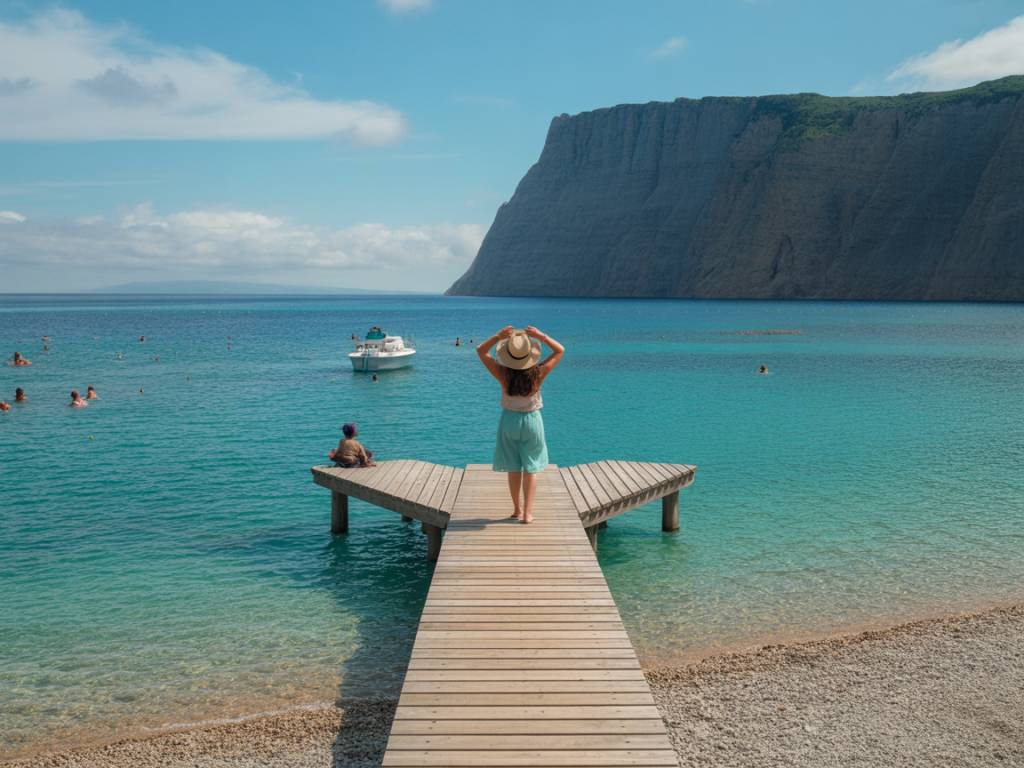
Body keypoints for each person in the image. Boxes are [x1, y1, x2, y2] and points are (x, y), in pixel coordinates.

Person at [477, 326, 565, 524]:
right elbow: (560, 350)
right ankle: (527, 513)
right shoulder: (538, 374)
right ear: (529, 355)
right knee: (531, 467)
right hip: (532, 421)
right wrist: (541, 336)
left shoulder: (502, 374)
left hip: (509, 420)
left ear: (508, 355)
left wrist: (497, 336)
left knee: (513, 467)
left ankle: (516, 510)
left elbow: (480, 351)